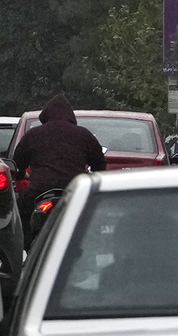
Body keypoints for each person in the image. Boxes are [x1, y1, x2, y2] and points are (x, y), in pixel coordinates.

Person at [9, 98, 106, 245]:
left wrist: (21, 175)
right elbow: (100, 165)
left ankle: (26, 248)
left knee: (21, 213)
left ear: (46, 115)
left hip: (38, 192)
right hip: (74, 190)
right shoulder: (84, 135)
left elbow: (17, 164)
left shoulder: (33, 135)